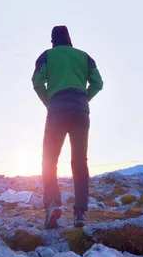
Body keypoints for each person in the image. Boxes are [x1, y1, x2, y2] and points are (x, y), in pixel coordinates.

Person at [32, 25, 104, 229]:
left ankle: (52, 205)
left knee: (49, 159)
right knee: (80, 161)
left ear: (52, 40)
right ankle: (80, 213)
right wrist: (83, 100)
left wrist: (50, 102)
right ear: (70, 39)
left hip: (57, 110)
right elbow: (98, 83)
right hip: (81, 110)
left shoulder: (47, 56)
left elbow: (37, 82)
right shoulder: (84, 57)